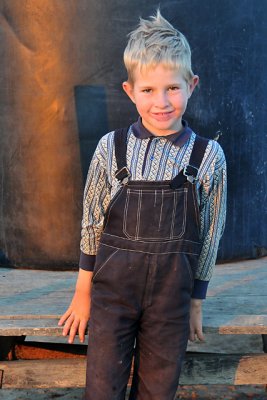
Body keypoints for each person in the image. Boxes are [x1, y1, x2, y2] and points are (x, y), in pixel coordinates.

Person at [59, 9, 227, 400]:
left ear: (192, 85)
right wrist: (83, 293)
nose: (162, 102)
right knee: (102, 389)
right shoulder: (110, 148)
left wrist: (196, 302)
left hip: (172, 299)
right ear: (129, 91)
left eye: (173, 88)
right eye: (148, 91)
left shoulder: (208, 157)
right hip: (112, 297)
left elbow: (212, 231)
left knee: (158, 392)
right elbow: (91, 223)